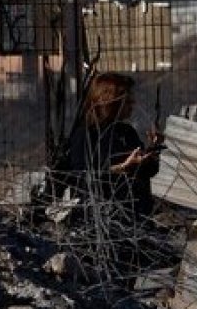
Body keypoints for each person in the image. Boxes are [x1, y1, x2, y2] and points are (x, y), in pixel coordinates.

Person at [64, 72, 161, 219]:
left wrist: (152, 150)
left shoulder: (126, 132)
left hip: (135, 214)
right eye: (127, 101)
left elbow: (149, 171)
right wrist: (121, 168)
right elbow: (82, 178)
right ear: (111, 102)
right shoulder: (86, 135)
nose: (133, 104)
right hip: (102, 216)